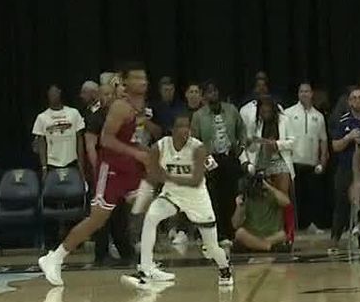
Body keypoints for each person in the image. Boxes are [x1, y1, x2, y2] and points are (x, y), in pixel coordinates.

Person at [38, 63, 155, 286]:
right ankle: (55, 258)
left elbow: (128, 139)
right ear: (125, 82)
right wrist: (137, 154)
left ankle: (147, 267)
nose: (143, 82)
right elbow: (106, 140)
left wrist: (145, 153)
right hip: (111, 169)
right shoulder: (120, 107)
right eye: (137, 78)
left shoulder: (136, 105)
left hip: (127, 168)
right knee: (96, 220)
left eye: (144, 78)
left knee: (151, 209)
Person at [123, 113, 232, 289]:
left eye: (187, 126)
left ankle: (224, 267)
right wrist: (141, 194)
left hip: (197, 198)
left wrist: (167, 177)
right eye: (180, 126)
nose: (184, 130)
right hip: (172, 195)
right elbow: (153, 174)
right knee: (151, 217)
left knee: (211, 247)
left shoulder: (198, 148)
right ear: (172, 130)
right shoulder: (161, 146)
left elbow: (195, 180)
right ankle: (146, 270)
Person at [85, 79, 137, 267]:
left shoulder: (119, 115)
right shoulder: (96, 118)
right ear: (99, 97)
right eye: (104, 94)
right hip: (104, 170)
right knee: (102, 212)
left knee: (120, 212)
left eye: (110, 94)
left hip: (119, 169)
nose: (108, 97)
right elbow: (90, 146)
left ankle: (126, 252)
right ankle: (101, 255)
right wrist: (97, 169)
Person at [190, 82, 248, 241]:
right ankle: (218, 233)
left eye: (215, 91)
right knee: (214, 197)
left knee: (231, 195)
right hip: (211, 159)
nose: (212, 94)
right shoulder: (198, 116)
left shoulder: (231, 110)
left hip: (230, 156)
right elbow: (195, 141)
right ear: (204, 95)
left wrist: (242, 146)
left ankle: (231, 231)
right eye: (209, 92)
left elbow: (242, 130)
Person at [286, 83, 330, 234]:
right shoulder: (288, 113)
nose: (304, 94)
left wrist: (322, 161)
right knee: (295, 196)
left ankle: (312, 224)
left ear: (312, 94)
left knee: (312, 196)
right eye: (301, 91)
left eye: (307, 91)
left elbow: (323, 140)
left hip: (312, 162)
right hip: (293, 161)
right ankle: (294, 226)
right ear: (298, 94)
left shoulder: (319, 116)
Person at [335, 86, 360, 244]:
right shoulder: (343, 121)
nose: (358, 100)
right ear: (349, 102)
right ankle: (336, 238)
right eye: (354, 98)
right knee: (341, 199)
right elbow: (335, 146)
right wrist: (348, 138)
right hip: (347, 166)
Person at [232, 168, 292, 253]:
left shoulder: (273, 194)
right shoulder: (245, 197)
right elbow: (235, 224)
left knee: (282, 235)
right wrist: (239, 207)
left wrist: (268, 187)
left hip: (272, 235)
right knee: (239, 233)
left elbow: (287, 202)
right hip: (253, 235)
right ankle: (268, 247)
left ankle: (257, 246)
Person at [32, 85, 86, 173]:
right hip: (52, 164)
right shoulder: (42, 117)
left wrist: (81, 163)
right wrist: (44, 167)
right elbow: (41, 143)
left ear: (60, 93)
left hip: (72, 161)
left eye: (55, 93)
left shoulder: (73, 113)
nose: (53, 96)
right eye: (51, 94)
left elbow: (79, 139)